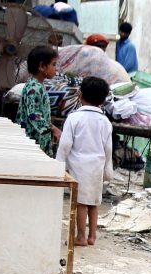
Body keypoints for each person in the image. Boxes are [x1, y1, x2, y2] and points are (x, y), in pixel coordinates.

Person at [56, 77, 113, 247]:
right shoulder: (105, 122)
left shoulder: (74, 118)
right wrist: (108, 170)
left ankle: (80, 236)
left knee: (80, 203)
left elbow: (65, 144)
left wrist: (59, 164)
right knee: (94, 203)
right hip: (97, 167)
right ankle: (92, 236)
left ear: (80, 95)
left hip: (79, 167)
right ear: (103, 100)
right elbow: (108, 149)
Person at [17, 46, 61, 156]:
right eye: (53, 64)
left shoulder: (38, 86)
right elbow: (34, 115)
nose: (56, 69)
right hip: (32, 143)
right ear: (42, 66)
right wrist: (53, 128)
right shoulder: (34, 88)